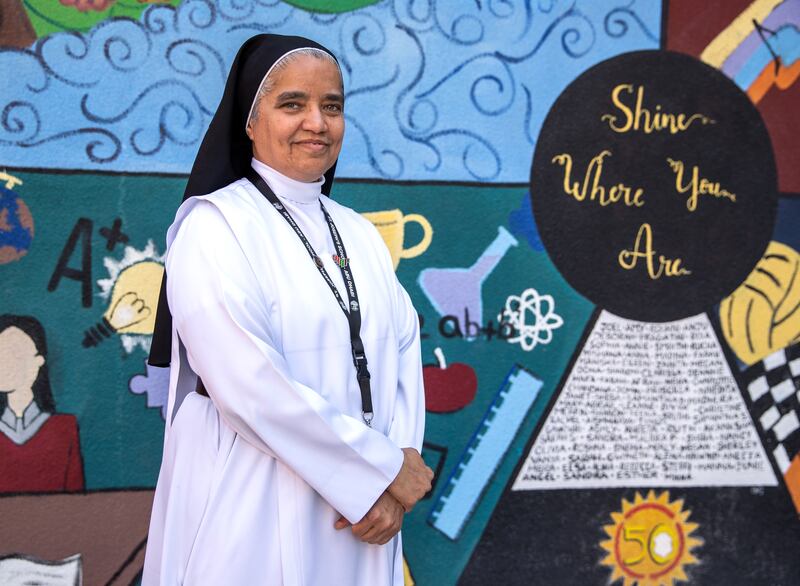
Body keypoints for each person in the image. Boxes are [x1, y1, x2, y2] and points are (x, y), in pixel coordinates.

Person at [142, 34, 432, 585]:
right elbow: (248, 384)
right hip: (251, 506)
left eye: (332, 106)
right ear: (249, 122)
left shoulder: (358, 233)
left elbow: (402, 353)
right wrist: (379, 472)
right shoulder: (215, 228)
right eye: (293, 104)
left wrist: (400, 466)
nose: (317, 124)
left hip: (365, 521)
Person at [0, 314, 84, 493]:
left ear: (38, 362)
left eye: (15, 353)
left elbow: (75, 501)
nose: (6, 363)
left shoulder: (64, 428)